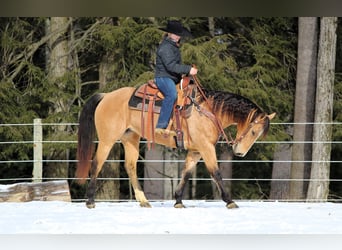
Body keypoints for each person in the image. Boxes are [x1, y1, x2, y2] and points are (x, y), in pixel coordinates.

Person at [154, 20, 198, 137]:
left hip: (171, 77)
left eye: (179, 34)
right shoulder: (166, 48)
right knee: (172, 94)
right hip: (163, 77)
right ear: (169, 33)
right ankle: (161, 125)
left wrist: (183, 74)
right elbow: (171, 66)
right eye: (175, 33)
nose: (178, 36)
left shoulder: (173, 46)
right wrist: (188, 69)